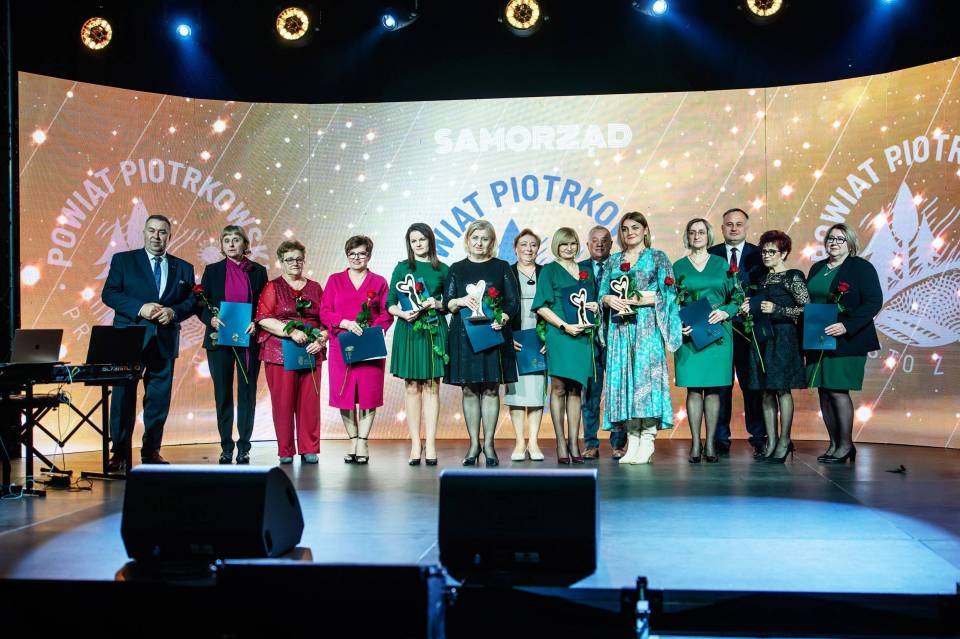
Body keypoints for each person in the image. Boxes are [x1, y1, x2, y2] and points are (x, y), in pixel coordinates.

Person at [101, 214, 196, 470]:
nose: (156, 236)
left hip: (164, 341)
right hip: (129, 339)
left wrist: (174, 312)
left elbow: (191, 301)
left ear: (169, 236)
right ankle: (119, 453)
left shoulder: (183, 268)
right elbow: (109, 294)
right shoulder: (124, 260)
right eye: (152, 230)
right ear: (143, 233)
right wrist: (139, 308)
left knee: (158, 399)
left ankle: (151, 451)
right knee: (122, 397)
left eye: (162, 232)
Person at [599, 212, 682, 464]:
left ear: (645, 230)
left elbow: (669, 294)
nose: (630, 233)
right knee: (626, 382)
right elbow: (602, 292)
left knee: (646, 381)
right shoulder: (613, 261)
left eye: (635, 227)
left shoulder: (658, 257)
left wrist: (641, 299)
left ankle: (647, 439)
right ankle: (632, 439)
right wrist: (608, 299)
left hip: (646, 328)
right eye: (625, 229)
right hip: (621, 330)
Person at [444, 220, 519, 466]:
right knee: (468, 389)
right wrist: (461, 301)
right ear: (468, 240)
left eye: (484, 239)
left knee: (490, 388)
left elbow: (512, 302)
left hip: (493, 334)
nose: (479, 243)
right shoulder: (456, 268)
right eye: (475, 238)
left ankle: (489, 445)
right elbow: (448, 303)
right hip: (464, 335)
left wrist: (503, 317)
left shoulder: (501, 267)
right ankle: (473, 444)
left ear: (492, 242)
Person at [806, 223, 882, 464]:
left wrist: (847, 325)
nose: (834, 242)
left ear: (850, 243)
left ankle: (846, 445)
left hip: (847, 339)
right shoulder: (818, 267)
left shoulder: (861, 267)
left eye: (840, 239)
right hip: (818, 337)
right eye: (830, 238)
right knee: (824, 391)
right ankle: (834, 444)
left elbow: (873, 302)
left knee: (837, 390)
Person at [198, 225, 268, 465]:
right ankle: (226, 447)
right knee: (223, 394)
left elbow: (264, 305)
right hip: (219, 341)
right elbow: (201, 303)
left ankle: (244, 447)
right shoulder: (212, 271)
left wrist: (256, 322)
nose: (230, 244)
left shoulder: (258, 271)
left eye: (236, 239)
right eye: (226, 239)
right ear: (222, 245)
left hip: (248, 340)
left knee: (247, 394)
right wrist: (211, 319)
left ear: (245, 244)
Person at [320, 236, 393, 465]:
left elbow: (386, 313)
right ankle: (353, 440)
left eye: (361, 253)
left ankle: (363, 441)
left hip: (369, 345)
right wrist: (345, 323)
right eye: (352, 254)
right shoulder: (335, 280)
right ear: (347, 255)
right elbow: (324, 312)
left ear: (369, 256)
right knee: (345, 395)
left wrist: (373, 330)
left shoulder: (379, 282)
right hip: (342, 344)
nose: (357, 258)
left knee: (368, 394)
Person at [739, 230, 809, 463]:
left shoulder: (793, 276)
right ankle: (771, 440)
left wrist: (778, 310)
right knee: (765, 390)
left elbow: (807, 310)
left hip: (784, 339)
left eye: (772, 251)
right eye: (764, 251)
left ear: (784, 253)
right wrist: (749, 307)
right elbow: (758, 309)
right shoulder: (760, 280)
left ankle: (785, 441)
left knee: (782, 389)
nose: (766, 255)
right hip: (762, 339)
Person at [254, 241, 326, 464]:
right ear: (281, 262)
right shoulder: (273, 287)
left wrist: (322, 339)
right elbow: (263, 318)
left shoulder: (315, 287)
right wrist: (291, 331)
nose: (295, 263)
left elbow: (326, 320)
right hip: (280, 353)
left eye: (299, 259)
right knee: (283, 403)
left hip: (310, 350)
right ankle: (285, 450)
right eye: (290, 259)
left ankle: (309, 448)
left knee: (310, 402)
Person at [672, 218, 737, 463]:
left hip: (718, 331)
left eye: (701, 232)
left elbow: (737, 296)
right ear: (687, 236)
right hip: (690, 332)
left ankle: (710, 443)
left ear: (708, 236)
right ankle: (695, 443)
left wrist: (725, 312)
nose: (697, 236)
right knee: (693, 388)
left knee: (713, 389)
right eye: (692, 232)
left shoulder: (722, 264)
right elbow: (670, 301)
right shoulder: (678, 266)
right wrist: (679, 324)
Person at [533, 227, 599, 464]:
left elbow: (590, 300)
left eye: (572, 244)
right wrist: (563, 326)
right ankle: (560, 441)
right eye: (564, 244)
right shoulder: (549, 270)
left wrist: (595, 307)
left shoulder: (585, 271)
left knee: (575, 390)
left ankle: (574, 442)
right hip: (560, 333)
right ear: (556, 247)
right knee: (559, 387)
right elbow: (541, 306)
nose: (569, 248)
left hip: (581, 336)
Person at [387, 223, 449, 466]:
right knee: (412, 386)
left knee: (432, 386)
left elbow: (450, 304)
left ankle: (431, 443)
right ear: (409, 244)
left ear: (430, 240)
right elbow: (390, 302)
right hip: (410, 329)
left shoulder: (442, 269)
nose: (419, 244)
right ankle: (415, 443)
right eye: (414, 241)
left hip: (433, 329)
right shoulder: (402, 267)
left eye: (422, 239)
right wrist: (403, 314)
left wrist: (437, 303)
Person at [708, 208, 766, 456]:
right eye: (729, 224)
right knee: (721, 385)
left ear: (746, 227)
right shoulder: (710, 254)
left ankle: (759, 437)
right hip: (718, 329)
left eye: (739, 224)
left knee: (752, 385)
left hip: (748, 330)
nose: (733, 228)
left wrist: (752, 303)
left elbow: (768, 288)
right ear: (722, 228)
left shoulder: (760, 255)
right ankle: (720, 438)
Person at [578, 225, 627, 459]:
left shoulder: (621, 268)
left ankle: (618, 444)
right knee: (590, 394)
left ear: (611, 244)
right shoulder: (578, 269)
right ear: (587, 245)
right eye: (594, 240)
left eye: (604, 240)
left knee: (617, 390)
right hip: (588, 340)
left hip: (617, 335)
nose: (599, 244)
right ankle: (591, 443)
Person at [505, 229, 546, 461]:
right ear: (515, 248)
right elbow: (498, 306)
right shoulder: (507, 273)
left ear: (538, 248)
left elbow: (554, 305)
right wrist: (506, 337)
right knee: (517, 393)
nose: (528, 249)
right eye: (523, 244)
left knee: (536, 392)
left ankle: (533, 442)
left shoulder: (545, 272)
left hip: (538, 339)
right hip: (514, 339)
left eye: (533, 245)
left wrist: (549, 337)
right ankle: (520, 442)